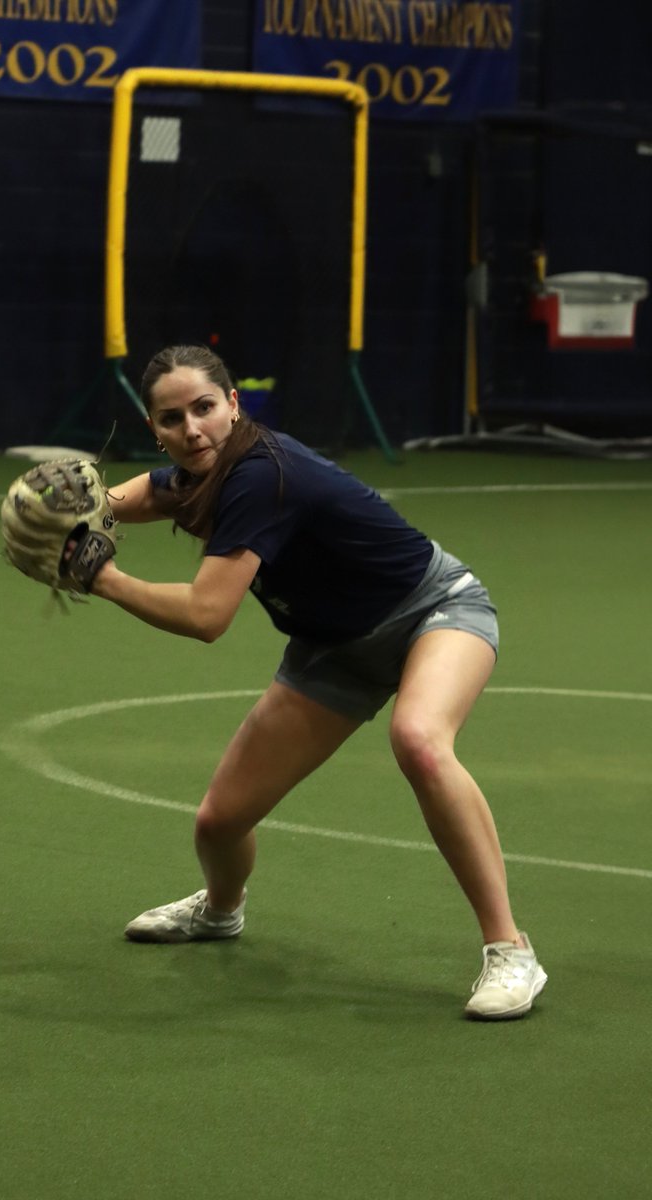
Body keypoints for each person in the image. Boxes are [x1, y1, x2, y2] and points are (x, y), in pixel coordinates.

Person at [90, 344, 547, 1021]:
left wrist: (100, 575)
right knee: (220, 821)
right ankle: (220, 912)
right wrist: (79, 503)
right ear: (153, 428)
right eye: (171, 418)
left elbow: (207, 615)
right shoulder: (204, 469)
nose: (192, 429)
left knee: (419, 740)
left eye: (205, 408)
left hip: (435, 610)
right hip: (335, 648)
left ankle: (511, 950)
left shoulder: (262, 475)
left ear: (234, 405)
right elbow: (157, 492)